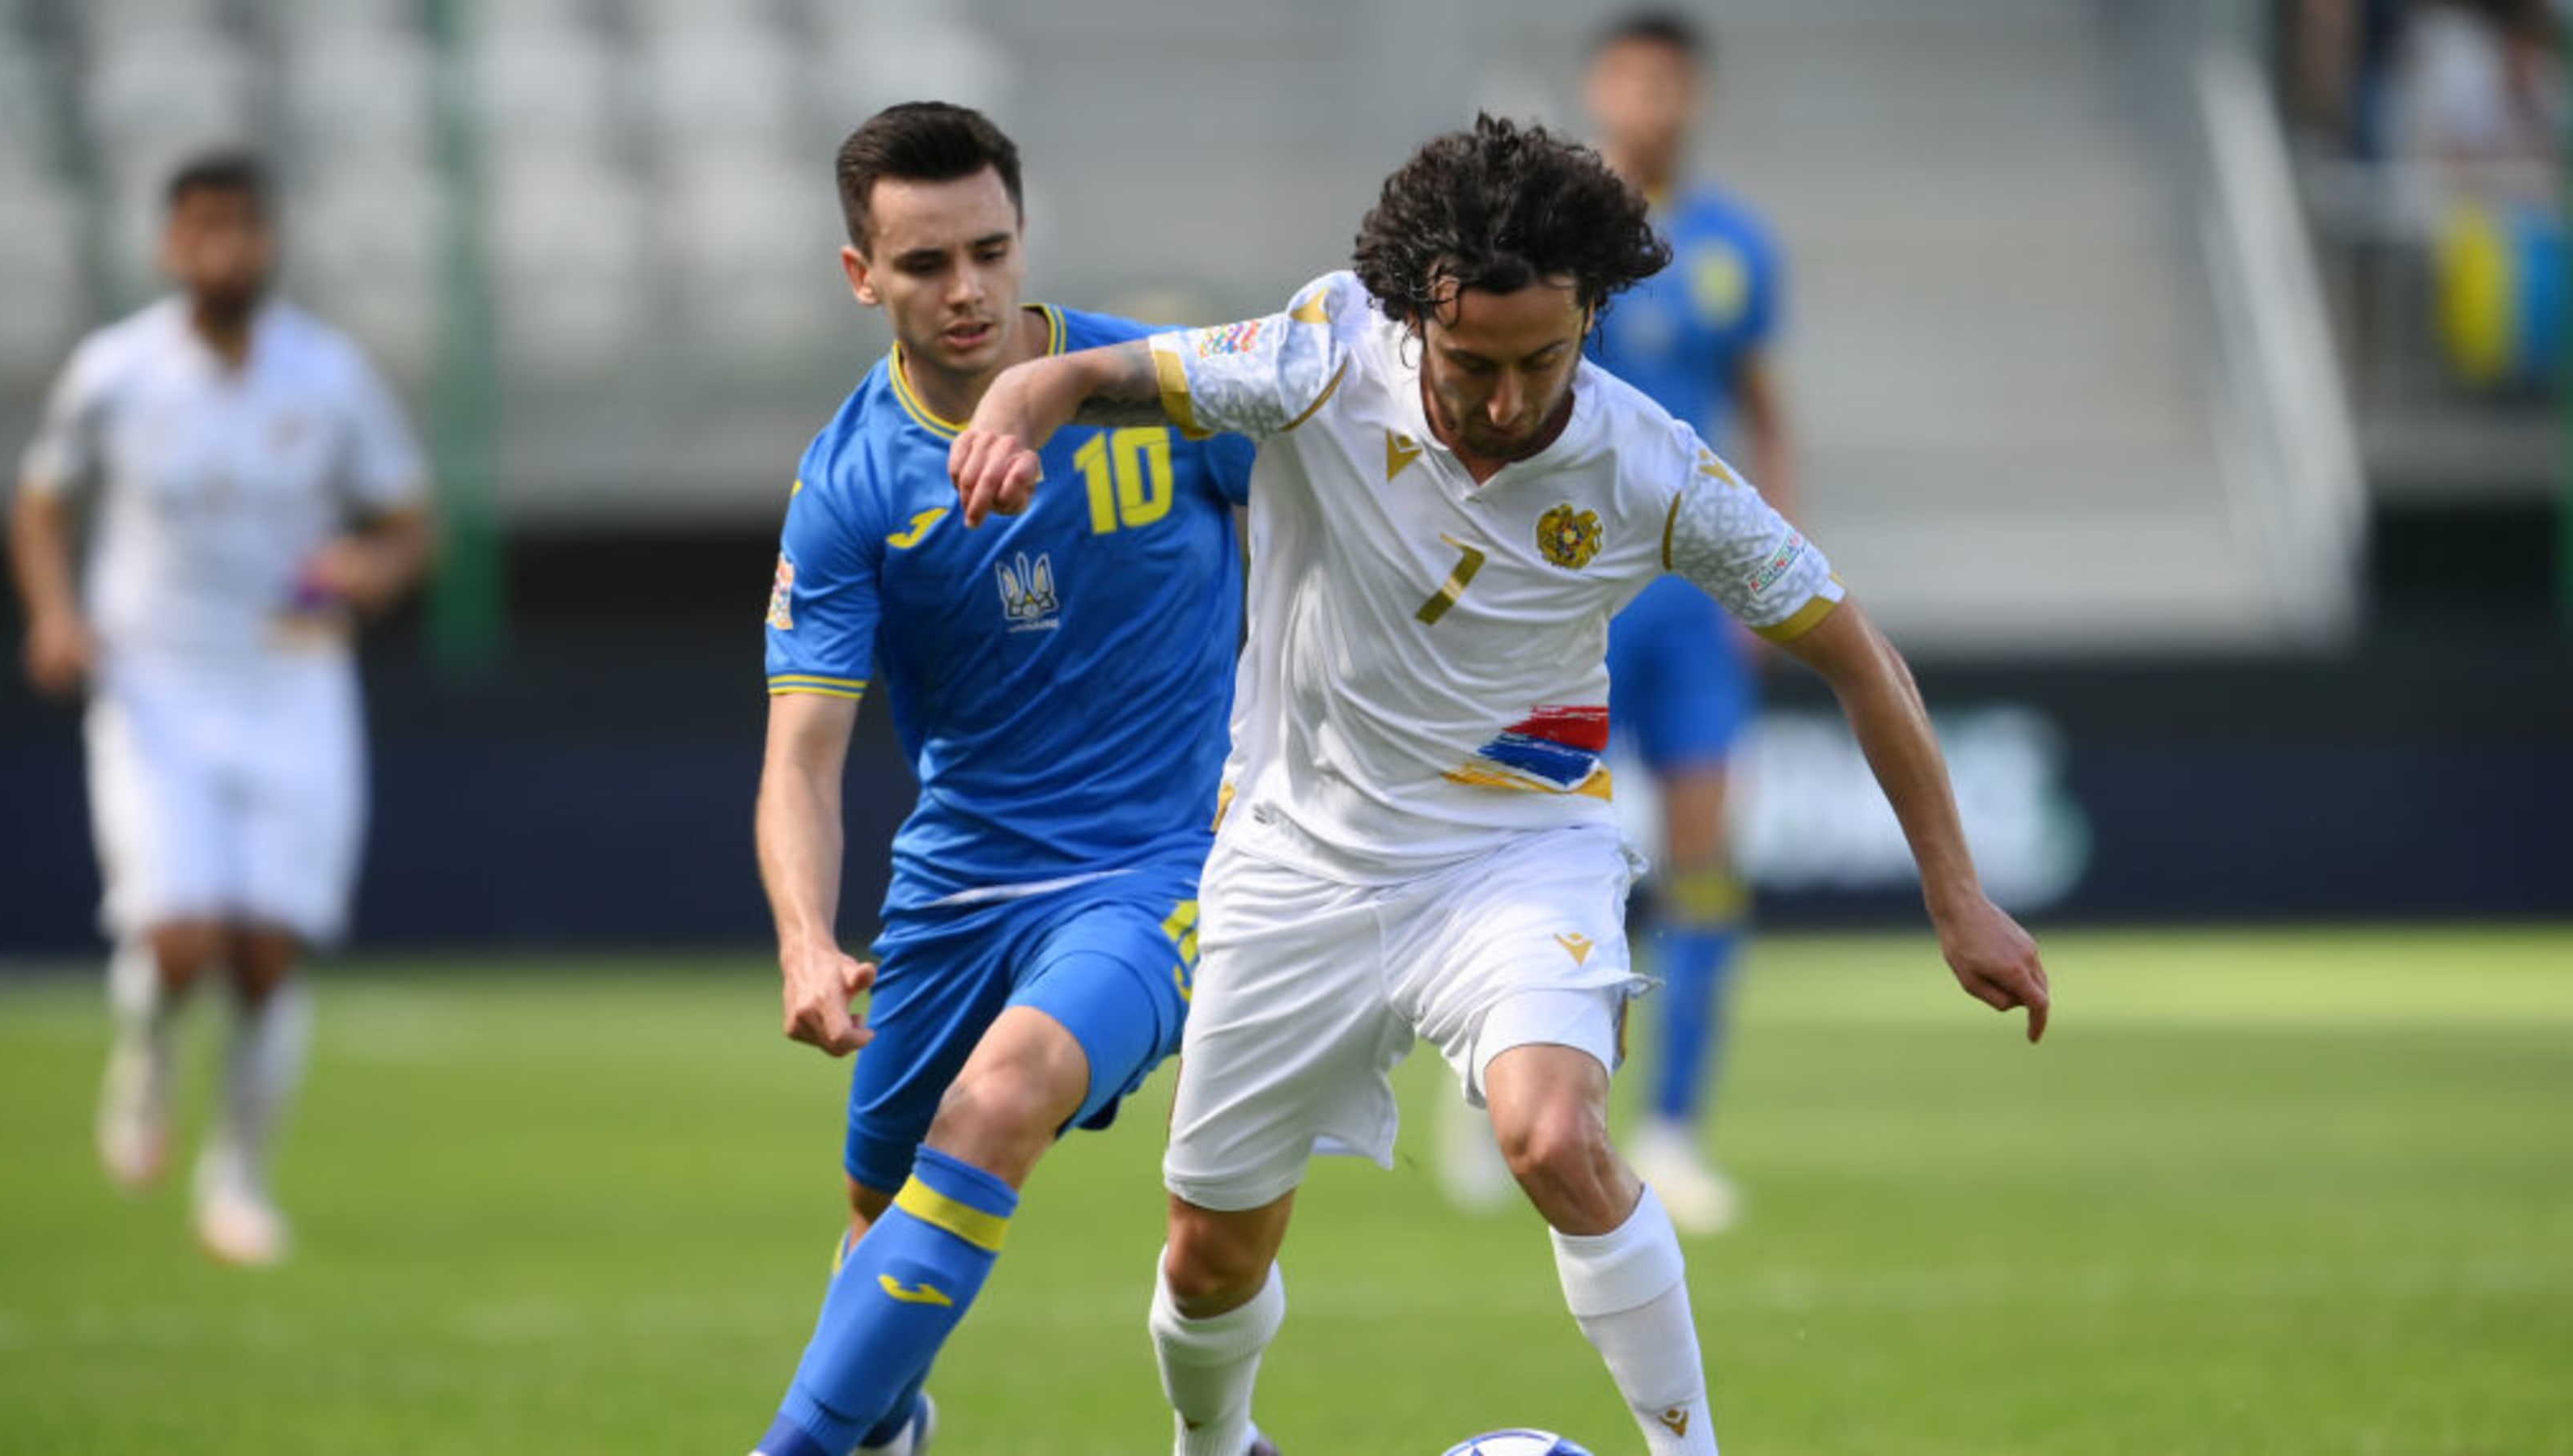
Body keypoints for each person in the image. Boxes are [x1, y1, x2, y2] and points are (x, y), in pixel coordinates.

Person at [948, 115, 2050, 1456]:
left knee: (1550, 1136)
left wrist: (1959, 896)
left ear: (1591, 314)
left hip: (1514, 854)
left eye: (1546, 358)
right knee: (1209, 1258)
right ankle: (1217, 1444)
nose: (1511, 400)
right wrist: (1014, 402)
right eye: (1475, 363)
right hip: (1297, 855)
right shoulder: (1317, 356)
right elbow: (1089, 376)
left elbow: (1862, 661)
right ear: (1415, 318)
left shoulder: (1654, 468)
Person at [747, 103, 1254, 1456]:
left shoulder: (1161, 387)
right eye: (924, 266)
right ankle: (883, 1430)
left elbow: (1338, 512)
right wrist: (806, 942)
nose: (966, 290)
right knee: (875, 1218)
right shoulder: (850, 485)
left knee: (1002, 1099)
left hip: (1159, 868)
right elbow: (801, 757)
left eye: (989, 250)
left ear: (1023, 239)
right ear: (863, 276)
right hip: (959, 887)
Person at [6, 150, 432, 1268]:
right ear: (169, 243)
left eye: (244, 227)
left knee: (268, 952)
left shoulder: (326, 374)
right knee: (183, 935)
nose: (225, 249)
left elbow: (407, 519)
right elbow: (42, 505)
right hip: (156, 682)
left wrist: (373, 572)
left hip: (293, 679)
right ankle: (145, 1058)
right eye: (204, 228)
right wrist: (54, 614)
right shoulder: (115, 372)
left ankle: (235, 1181)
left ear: (271, 240)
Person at [1571, 7, 1799, 1233]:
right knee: (1551, 860)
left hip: (1694, 604)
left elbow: (1768, 407)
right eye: (1631, 81)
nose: (1650, 102)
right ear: (1599, 91)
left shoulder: (1733, 249)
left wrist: (1776, 569)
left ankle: (1676, 1131)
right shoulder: (1554, 240)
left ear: (1693, 95)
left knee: (1703, 872)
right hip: (1571, 596)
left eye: (1670, 83)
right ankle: (1537, 1074)